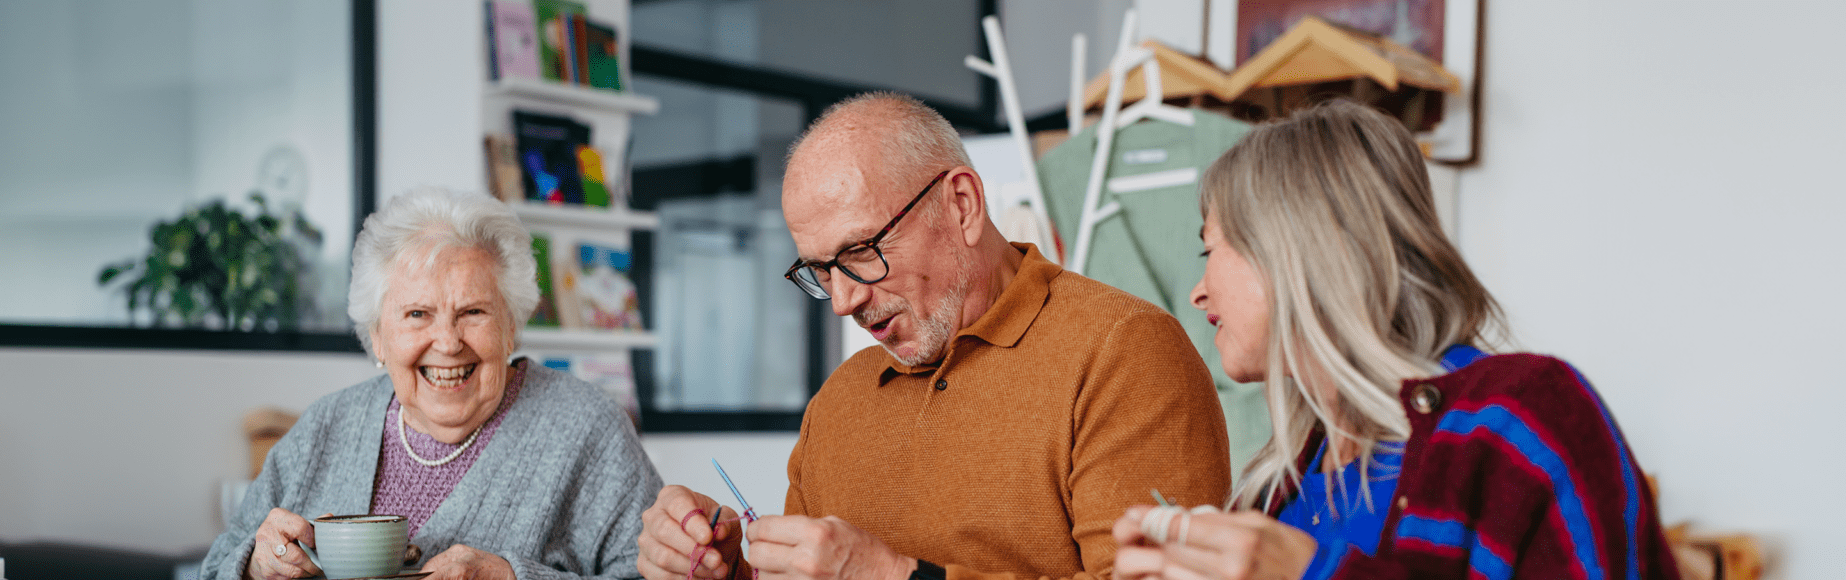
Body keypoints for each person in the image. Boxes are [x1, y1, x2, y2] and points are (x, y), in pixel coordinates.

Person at [636, 93, 1231, 580]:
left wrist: (896, 577)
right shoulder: (839, 401)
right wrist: (728, 569)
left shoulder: (1124, 352)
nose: (842, 302)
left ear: (962, 205)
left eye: (861, 252)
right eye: (820, 271)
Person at [1110, 99, 1681, 580]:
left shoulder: (1524, 417)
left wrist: (1312, 574)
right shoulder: (1273, 489)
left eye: (1210, 251)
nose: (1197, 293)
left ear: (1296, 249)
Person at [200, 188, 663, 580]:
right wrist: (254, 566)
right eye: (418, 314)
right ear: (378, 337)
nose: (447, 341)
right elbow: (217, 563)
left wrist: (514, 576)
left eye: (473, 312)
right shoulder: (327, 424)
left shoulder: (585, 427)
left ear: (510, 328)